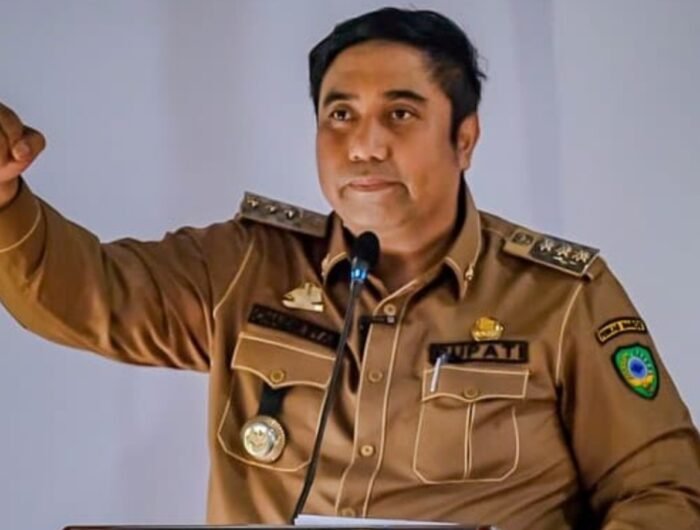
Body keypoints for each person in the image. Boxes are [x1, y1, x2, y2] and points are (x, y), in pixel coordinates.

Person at [0, 7, 698, 530]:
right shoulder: (247, 263)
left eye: (400, 114)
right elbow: (83, 295)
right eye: (340, 114)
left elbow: (663, 487)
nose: (364, 145)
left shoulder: (562, 296)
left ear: (464, 138)